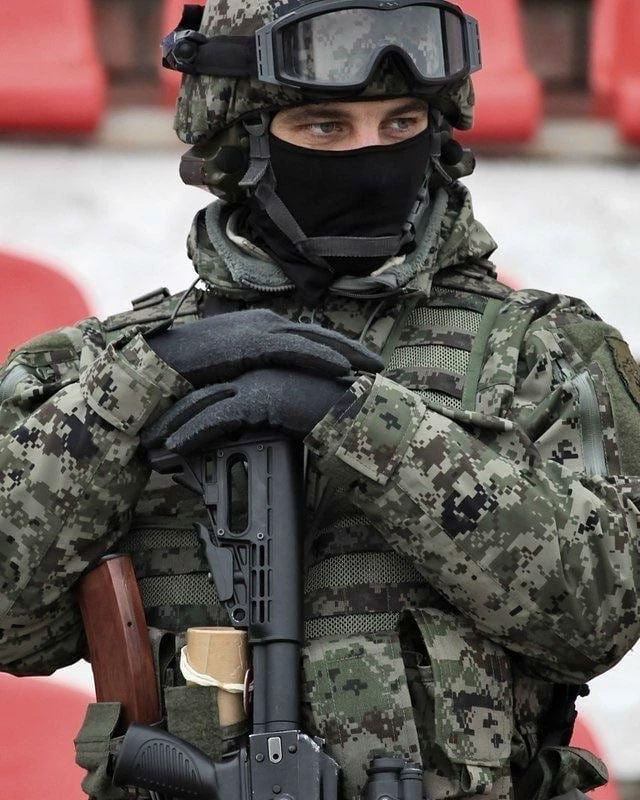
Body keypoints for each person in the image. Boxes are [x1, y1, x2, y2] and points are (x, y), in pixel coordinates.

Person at [1, 1, 640, 798]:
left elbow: (596, 619)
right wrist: (137, 386)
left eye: (401, 123)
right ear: (243, 144)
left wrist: (363, 423)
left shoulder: (545, 351)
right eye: (325, 128)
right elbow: (12, 626)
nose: (371, 160)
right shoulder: (93, 372)